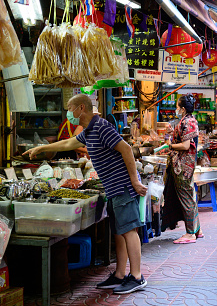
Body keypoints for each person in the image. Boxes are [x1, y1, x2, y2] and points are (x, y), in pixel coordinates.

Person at [24, 94, 148, 294]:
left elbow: (126, 149)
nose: (68, 112)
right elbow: (67, 144)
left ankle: (137, 277)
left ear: (81, 108)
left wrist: (134, 181)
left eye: (69, 108)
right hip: (112, 188)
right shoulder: (88, 131)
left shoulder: (101, 127)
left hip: (122, 185)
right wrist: (42, 148)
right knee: (119, 232)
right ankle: (119, 275)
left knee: (129, 231)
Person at [162, 95, 203, 244]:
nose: (176, 109)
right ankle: (197, 229)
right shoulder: (188, 121)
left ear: (183, 109)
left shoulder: (188, 121)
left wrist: (170, 146)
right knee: (190, 196)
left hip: (183, 166)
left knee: (186, 198)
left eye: (178, 107)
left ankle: (190, 233)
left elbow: (185, 146)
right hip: (186, 165)